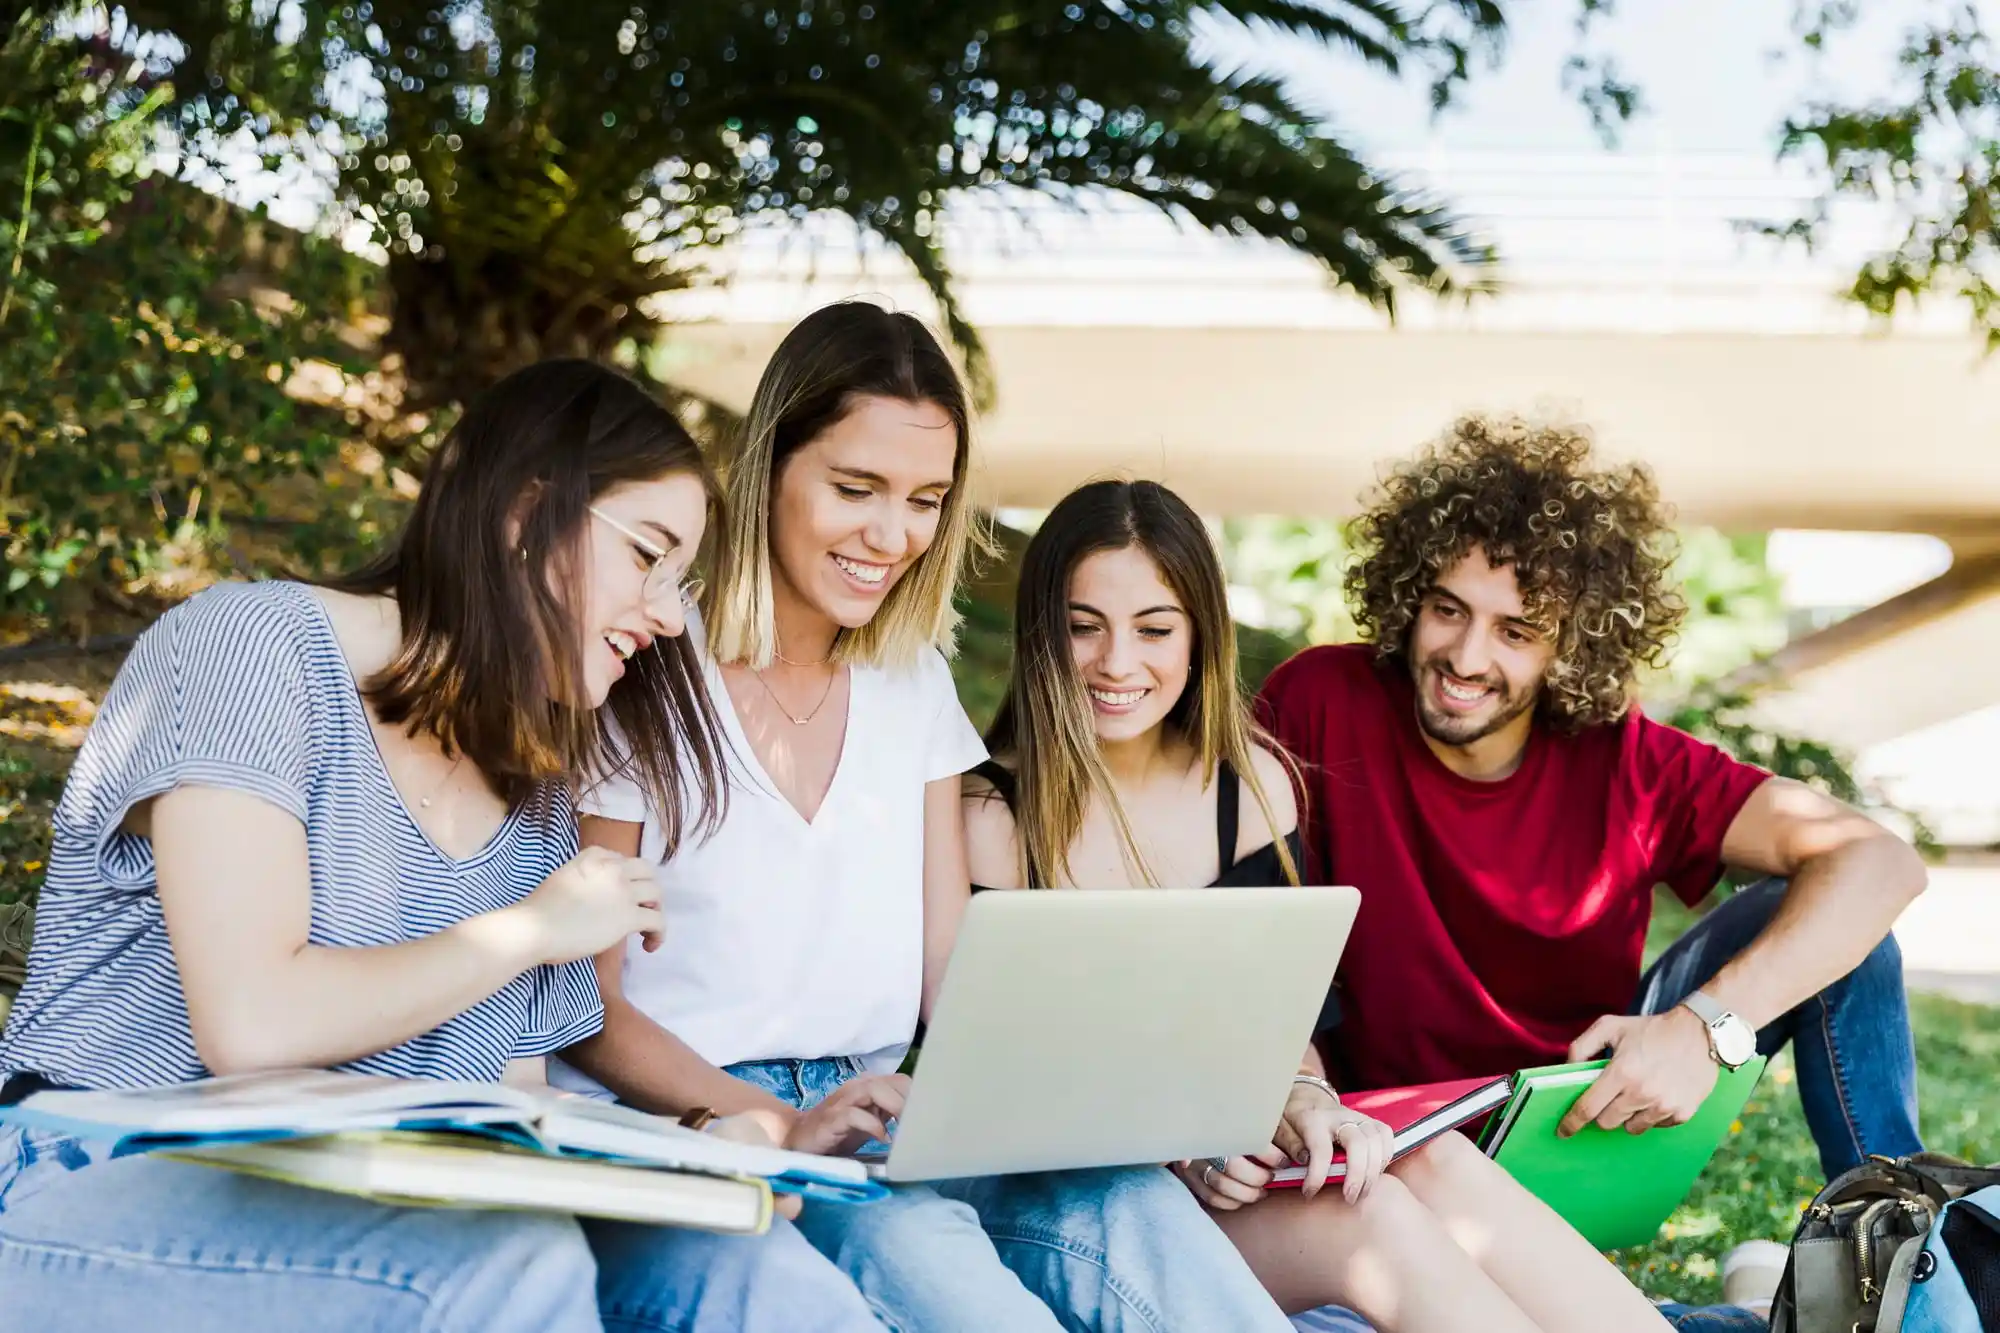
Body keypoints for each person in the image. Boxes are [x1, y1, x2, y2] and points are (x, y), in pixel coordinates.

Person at [0, 361, 884, 1333]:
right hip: (87, 1178)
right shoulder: (251, 647)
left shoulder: (537, 799)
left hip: (378, 1204)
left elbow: (510, 1113)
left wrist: (702, 1140)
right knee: (504, 1265)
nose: (671, 615)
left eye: (683, 580)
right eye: (649, 557)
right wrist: (532, 930)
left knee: (743, 1269)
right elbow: (250, 1023)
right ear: (524, 516)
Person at [553, 301, 1299, 1332]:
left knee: (1132, 1207)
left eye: (923, 500)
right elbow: (583, 1004)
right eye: (854, 488)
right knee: (953, 1282)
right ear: (770, 462)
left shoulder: (910, 684)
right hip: (703, 1120)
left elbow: (954, 971)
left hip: (885, 1112)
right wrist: (763, 1115)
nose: (891, 534)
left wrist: (1095, 1106)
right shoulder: (643, 664)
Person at [962, 478, 1678, 1333]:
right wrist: (1185, 1146)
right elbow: (996, 1080)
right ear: (1044, 632)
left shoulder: (1251, 789)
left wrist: (1304, 1099)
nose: (1118, 662)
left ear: (1199, 638)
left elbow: (1282, 1027)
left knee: (1434, 1165)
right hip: (1077, 1200)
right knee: (1368, 1223)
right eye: (1085, 626)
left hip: (1222, 1180)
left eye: (1154, 629)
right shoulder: (988, 817)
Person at [1257, 415, 1927, 1187]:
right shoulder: (1320, 700)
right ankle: (1749, 1313)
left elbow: (1882, 861)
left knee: (1847, 932)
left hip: (1572, 1131)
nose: (1466, 657)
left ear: (1572, 644)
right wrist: (1301, 1085)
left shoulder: (1627, 760)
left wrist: (1703, 1030)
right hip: (1381, 1147)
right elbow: (1242, 920)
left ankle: (1898, 1240)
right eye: (1448, 609)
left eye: (1515, 630)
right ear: (1410, 596)